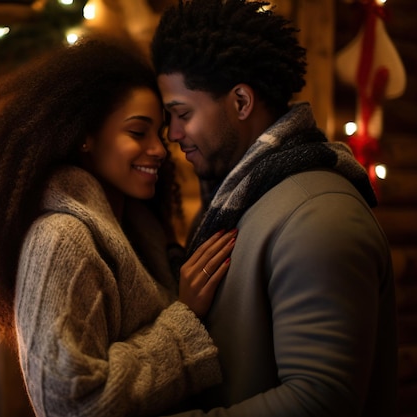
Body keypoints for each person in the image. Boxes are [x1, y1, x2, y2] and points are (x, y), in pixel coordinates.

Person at [0, 37, 236, 417]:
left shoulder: (138, 230)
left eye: (160, 132)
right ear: (85, 136)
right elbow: (68, 406)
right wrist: (183, 317)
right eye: (138, 132)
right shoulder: (59, 240)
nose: (159, 148)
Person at [150, 1, 398, 416]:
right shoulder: (232, 203)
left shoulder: (319, 217)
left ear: (242, 101)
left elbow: (320, 400)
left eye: (182, 114)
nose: (173, 134)